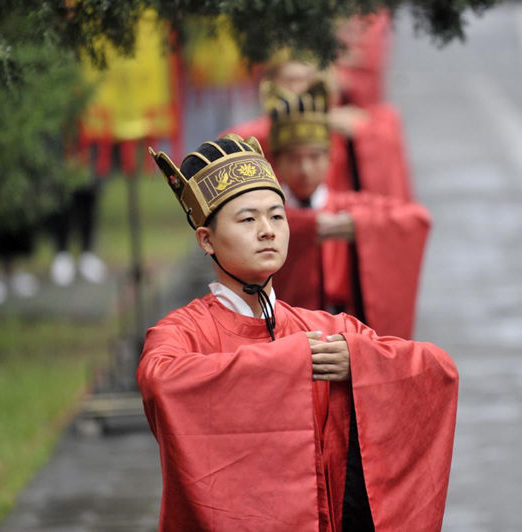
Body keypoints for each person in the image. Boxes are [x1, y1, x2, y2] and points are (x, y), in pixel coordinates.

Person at [138, 134, 458, 531]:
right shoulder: (183, 332)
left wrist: (360, 362)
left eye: (277, 216)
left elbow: (436, 371)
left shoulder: (322, 329)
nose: (268, 230)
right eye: (248, 219)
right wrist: (284, 362)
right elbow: (160, 380)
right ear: (206, 239)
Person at [268, 83, 430, 340]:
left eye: (314, 157)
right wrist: (308, 227)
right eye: (293, 159)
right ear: (276, 162)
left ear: (331, 157)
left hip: (344, 328)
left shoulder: (345, 205)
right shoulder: (266, 212)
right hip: (285, 333)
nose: (305, 169)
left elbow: (417, 218)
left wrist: (360, 225)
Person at [226, 48, 412, 200]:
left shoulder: (346, 125)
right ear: (271, 84)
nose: (298, 89)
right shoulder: (248, 137)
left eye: (307, 80)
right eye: (290, 80)